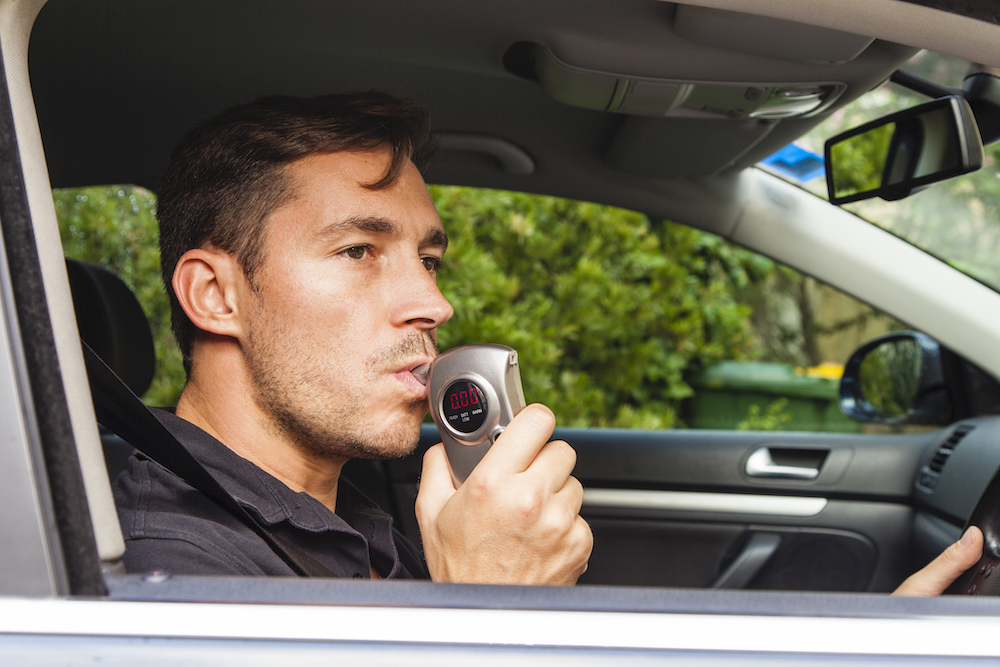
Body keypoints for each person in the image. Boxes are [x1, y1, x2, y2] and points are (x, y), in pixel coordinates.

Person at [114, 91, 980, 591]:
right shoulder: (172, 569)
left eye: (428, 256)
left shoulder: (375, 497)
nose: (433, 302)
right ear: (215, 293)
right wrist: (487, 611)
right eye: (358, 251)